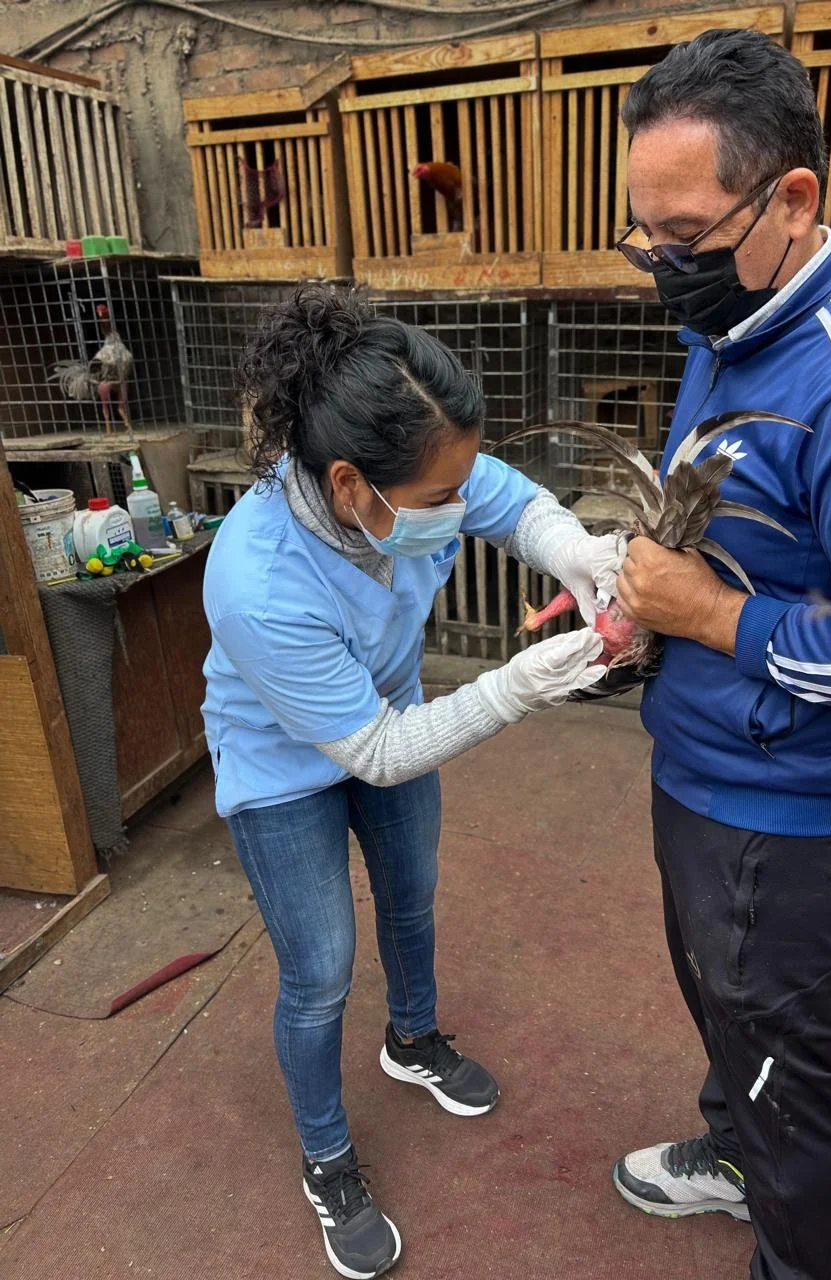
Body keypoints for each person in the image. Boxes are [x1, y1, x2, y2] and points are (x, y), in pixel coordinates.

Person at [608, 28, 831, 1280]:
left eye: (685, 239)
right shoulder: (734, 321)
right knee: (724, 1006)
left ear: (793, 196)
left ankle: (794, 1254)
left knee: (784, 1068)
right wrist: (640, 606)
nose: (663, 266)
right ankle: (727, 1146)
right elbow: (734, 541)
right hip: (697, 770)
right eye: (642, 236)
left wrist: (709, 617)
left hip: (784, 818)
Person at [201, 286, 619, 1280]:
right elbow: (381, 751)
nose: (456, 505)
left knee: (412, 893)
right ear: (350, 484)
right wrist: (514, 685)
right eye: (439, 498)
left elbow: (510, 500)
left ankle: (414, 1036)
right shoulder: (256, 579)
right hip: (281, 763)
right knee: (320, 970)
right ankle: (326, 1153)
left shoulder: (426, 468)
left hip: (387, 714)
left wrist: (578, 551)